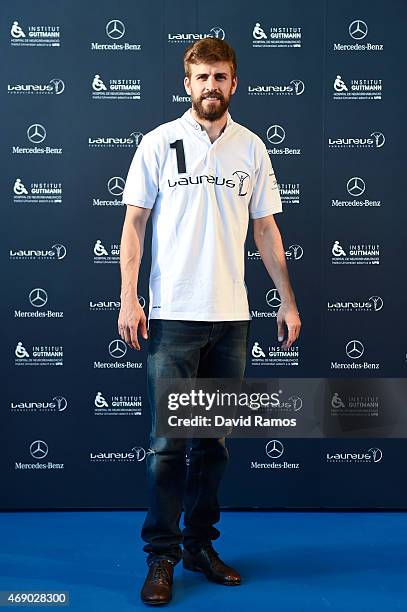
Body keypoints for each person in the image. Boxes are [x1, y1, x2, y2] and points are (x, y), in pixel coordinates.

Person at [118, 37, 301, 606]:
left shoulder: (251, 148)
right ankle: (162, 557)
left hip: (232, 319)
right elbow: (134, 225)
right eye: (201, 78)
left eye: (220, 77)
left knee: (215, 445)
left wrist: (287, 301)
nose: (211, 87)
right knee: (168, 446)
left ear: (234, 83)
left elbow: (266, 230)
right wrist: (128, 296)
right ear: (186, 83)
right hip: (173, 318)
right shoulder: (158, 143)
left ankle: (199, 544)